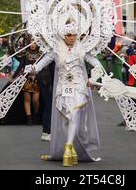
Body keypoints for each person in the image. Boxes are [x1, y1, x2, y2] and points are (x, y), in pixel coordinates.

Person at [27, 18, 102, 167]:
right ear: (63, 35)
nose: (72, 37)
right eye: (69, 35)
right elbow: (41, 64)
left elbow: (97, 64)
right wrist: (31, 69)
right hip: (62, 88)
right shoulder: (56, 50)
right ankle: (72, 147)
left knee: (74, 114)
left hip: (79, 86)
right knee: (65, 120)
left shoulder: (82, 49)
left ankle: (68, 147)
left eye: (74, 35)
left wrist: (93, 78)